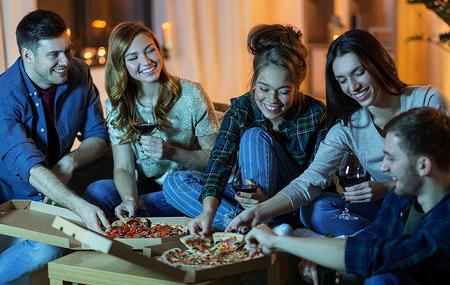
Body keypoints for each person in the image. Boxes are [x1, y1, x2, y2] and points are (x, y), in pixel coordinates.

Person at [226, 29, 449, 236]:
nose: (353, 87)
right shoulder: (348, 126)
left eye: (359, 73)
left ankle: (373, 241)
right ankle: (372, 239)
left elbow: (444, 170)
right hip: (381, 213)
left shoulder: (426, 100)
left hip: (429, 205)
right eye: (342, 80)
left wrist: (385, 188)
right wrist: (255, 213)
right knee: (316, 208)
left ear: (378, 63)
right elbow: (309, 181)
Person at [245, 107, 450, 285]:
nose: (384, 167)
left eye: (392, 158)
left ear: (423, 166)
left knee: (382, 280)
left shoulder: (445, 221)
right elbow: (372, 235)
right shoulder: (402, 196)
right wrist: (323, 253)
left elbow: (378, 255)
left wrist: (278, 242)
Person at [163, 24, 327, 234]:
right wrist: (207, 212)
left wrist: (267, 203)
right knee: (174, 182)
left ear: (297, 86)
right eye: (264, 88)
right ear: (254, 82)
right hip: (249, 198)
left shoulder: (315, 113)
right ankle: (253, 226)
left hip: (292, 203)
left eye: (284, 91)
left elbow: (317, 180)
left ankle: (261, 221)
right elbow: (220, 161)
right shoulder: (242, 108)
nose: (272, 100)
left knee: (254, 136)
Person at [0, 10, 110, 283]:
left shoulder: (79, 73)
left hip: (54, 190)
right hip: (11, 199)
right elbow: (29, 167)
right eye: (54, 55)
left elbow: (98, 137)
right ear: (27, 55)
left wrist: (69, 162)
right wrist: (78, 206)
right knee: (46, 248)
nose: (66, 61)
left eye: (68, 50)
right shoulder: (4, 95)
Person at [83, 22, 219, 220]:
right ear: (122, 64)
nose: (146, 61)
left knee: (166, 190)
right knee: (97, 192)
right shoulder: (118, 104)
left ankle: (140, 219)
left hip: (185, 185)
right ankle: (136, 216)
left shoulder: (191, 94)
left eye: (150, 50)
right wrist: (129, 199)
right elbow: (124, 167)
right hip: (145, 185)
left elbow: (216, 160)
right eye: (133, 57)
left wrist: (172, 153)